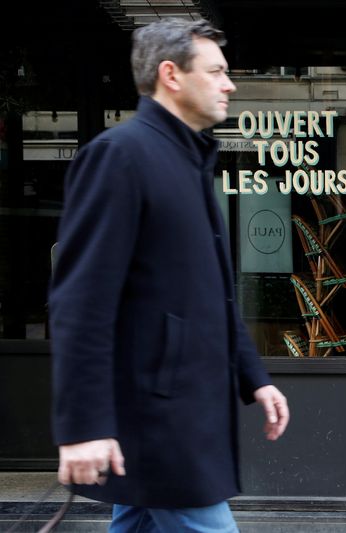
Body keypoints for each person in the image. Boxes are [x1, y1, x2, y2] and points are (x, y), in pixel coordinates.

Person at [48, 18, 289, 532]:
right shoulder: (120, 157)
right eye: (217, 71)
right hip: (161, 421)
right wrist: (83, 426)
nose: (230, 84)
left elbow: (211, 295)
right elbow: (81, 301)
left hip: (176, 415)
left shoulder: (188, 158)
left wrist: (254, 378)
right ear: (171, 75)